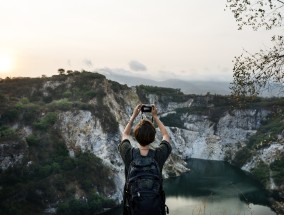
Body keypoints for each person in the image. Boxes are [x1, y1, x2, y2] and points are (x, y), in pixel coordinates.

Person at [119, 104, 171, 215]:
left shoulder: (129, 154)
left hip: (134, 210)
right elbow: (166, 135)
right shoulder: (158, 155)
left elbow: (125, 134)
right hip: (155, 210)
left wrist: (133, 116)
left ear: (136, 136)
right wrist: (155, 117)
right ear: (153, 138)